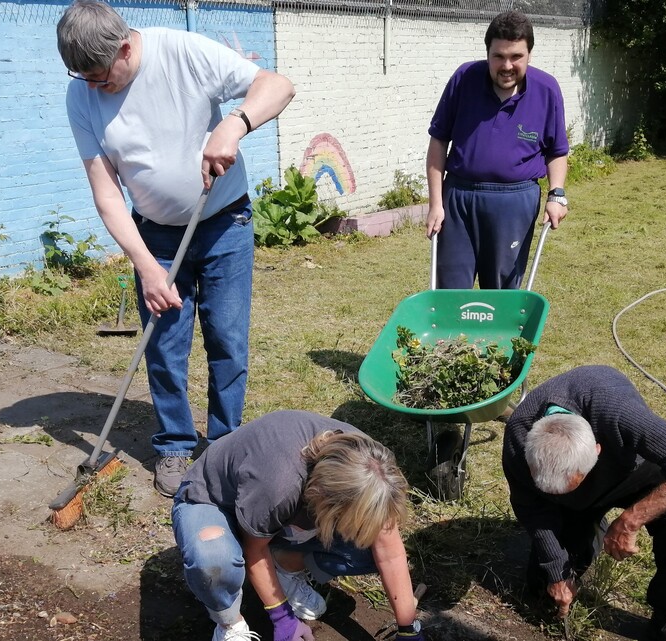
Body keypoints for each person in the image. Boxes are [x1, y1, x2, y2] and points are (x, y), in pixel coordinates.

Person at [56, 1, 295, 496]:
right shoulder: (81, 96)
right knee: (163, 345)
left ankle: (227, 443)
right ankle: (174, 444)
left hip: (225, 220)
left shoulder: (182, 51)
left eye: (101, 76)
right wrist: (145, 264)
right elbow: (106, 193)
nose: (96, 88)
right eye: (85, 79)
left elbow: (278, 85)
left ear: (125, 47)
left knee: (227, 339)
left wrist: (235, 123)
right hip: (157, 236)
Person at [501, 365, 666, 641]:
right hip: (575, 502)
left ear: (597, 450)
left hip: (632, 472)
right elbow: (532, 509)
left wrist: (631, 520)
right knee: (543, 592)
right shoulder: (519, 438)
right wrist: (556, 568)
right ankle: (589, 523)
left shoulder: (617, 410)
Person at [171, 410, 425, 641]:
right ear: (325, 499)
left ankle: (284, 566)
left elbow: (390, 554)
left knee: (366, 553)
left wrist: (408, 628)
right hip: (214, 503)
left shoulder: (373, 471)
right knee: (215, 559)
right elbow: (254, 550)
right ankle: (229, 625)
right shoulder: (278, 486)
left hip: (278, 511)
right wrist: (282, 618)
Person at [425, 10, 570, 290]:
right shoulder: (464, 78)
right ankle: (453, 336)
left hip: (515, 202)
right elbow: (438, 141)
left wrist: (557, 195)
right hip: (459, 199)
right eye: (498, 56)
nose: (507, 65)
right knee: (450, 291)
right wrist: (435, 204)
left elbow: (557, 151)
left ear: (529, 55)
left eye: (516, 57)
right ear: (487, 53)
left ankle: (495, 337)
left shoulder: (546, 89)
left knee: (502, 292)